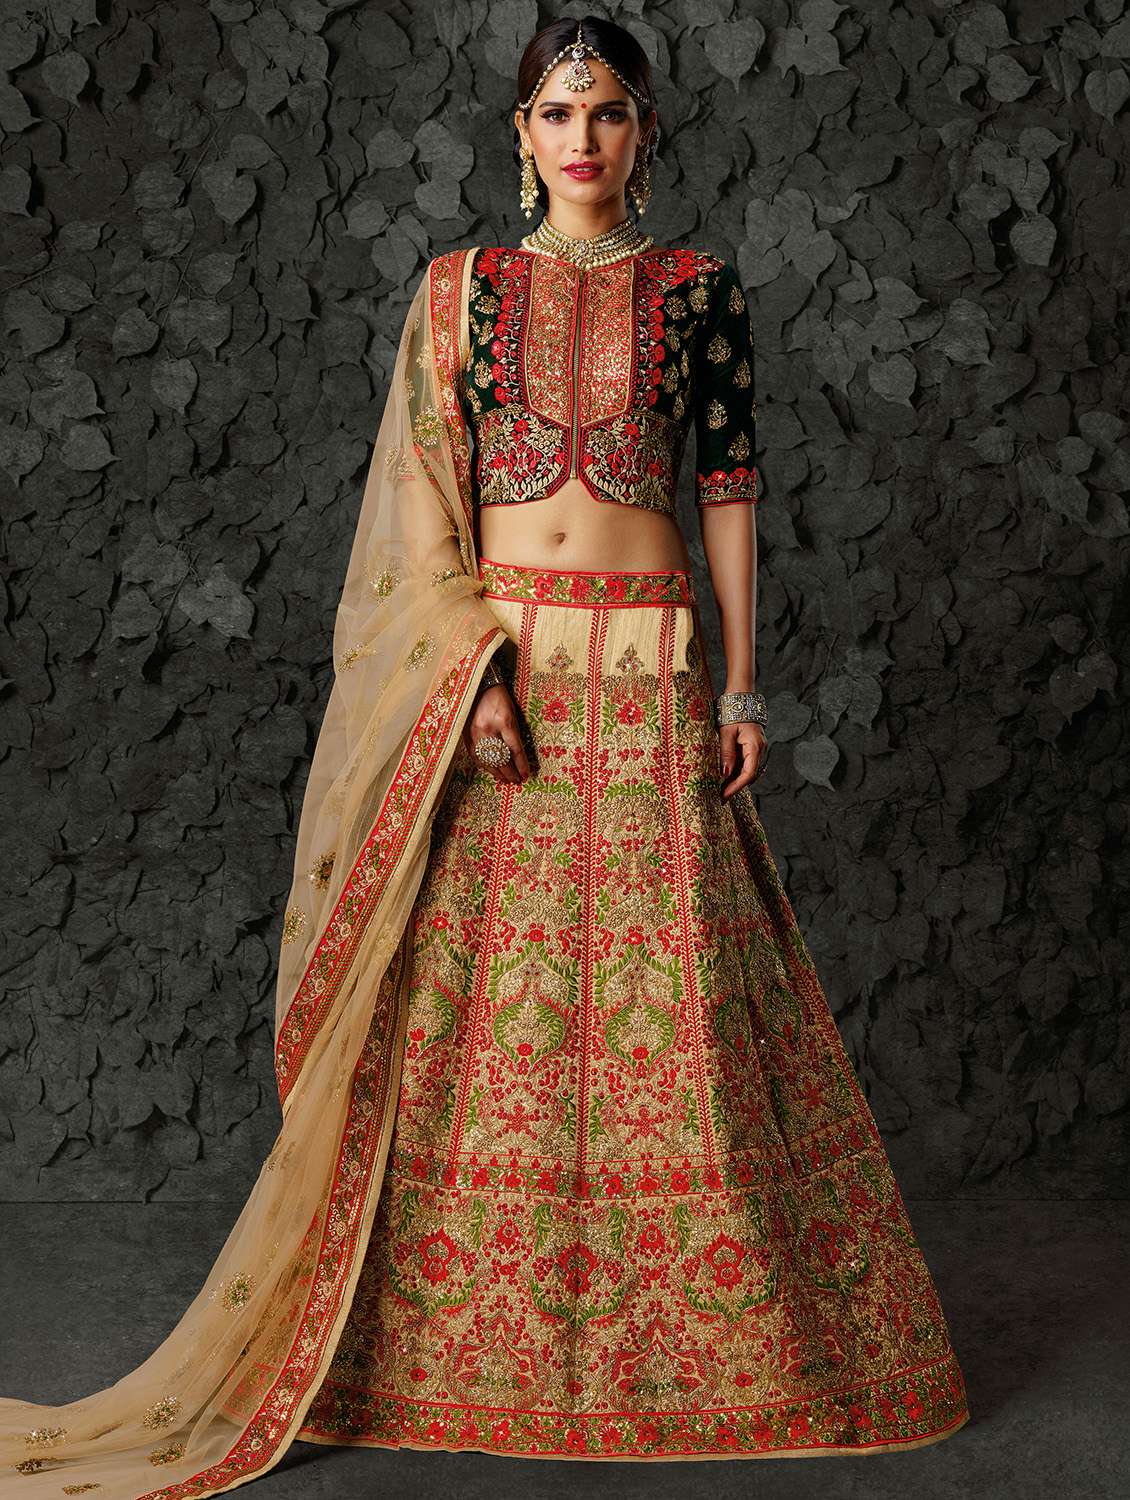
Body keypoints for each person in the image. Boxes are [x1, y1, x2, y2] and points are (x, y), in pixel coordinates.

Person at [0, 15, 969, 1496]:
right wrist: (475, 673)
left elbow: (727, 489)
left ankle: (696, 1343)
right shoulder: (461, 292)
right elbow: (421, 493)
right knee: (470, 1005)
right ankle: (445, 1346)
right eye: (557, 112)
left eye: (609, 112)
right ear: (520, 133)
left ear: (646, 134)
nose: (583, 138)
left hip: (648, 662)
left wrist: (741, 688)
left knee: (671, 1003)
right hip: (502, 663)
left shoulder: (701, 289)